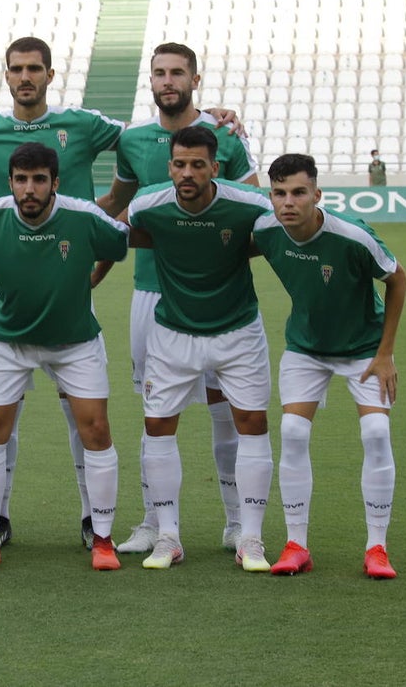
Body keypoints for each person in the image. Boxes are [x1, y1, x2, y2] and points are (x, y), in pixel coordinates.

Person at [0, 36, 243, 550]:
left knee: (83, 414)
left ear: (50, 74)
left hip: (70, 284)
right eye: (16, 69)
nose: (25, 77)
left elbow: (157, 131)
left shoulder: (84, 124)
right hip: (3, 290)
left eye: (34, 68)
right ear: (6, 75)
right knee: (2, 415)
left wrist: (210, 117)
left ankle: (93, 521)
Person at [0, 142, 129, 571]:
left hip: (74, 342)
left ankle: (103, 540)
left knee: (95, 429)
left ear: (55, 182)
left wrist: (93, 276)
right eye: (21, 180)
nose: (29, 189)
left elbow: (120, 240)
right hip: (8, 342)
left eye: (39, 180)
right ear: (10, 182)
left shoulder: (82, 215)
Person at [95, 43, 259, 555]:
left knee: (227, 415)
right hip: (152, 295)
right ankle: (154, 524)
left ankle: (238, 524)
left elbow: (255, 212)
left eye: (177, 73)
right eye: (159, 73)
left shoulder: (226, 136)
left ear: (195, 79)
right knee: (156, 415)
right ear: (150, 80)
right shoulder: (133, 139)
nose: (168, 81)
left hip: (218, 301)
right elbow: (117, 208)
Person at [126, 125, 274, 572]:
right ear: (169, 166)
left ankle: (250, 538)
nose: (187, 173)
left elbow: (282, 232)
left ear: (215, 167)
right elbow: (120, 235)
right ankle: (168, 536)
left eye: (197, 165)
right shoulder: (147, 204)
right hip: (173, 332)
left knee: (251, 424)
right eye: (179, 164)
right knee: (157, 426)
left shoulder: (249, 202)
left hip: (238, 331)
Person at [253, 153, 406, 579]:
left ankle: (377, 548)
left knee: (376, 433)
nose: (288, 202)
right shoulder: (265, 230)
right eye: (280, 193)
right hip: (306, 347)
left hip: (365, 348)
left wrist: (385, 354)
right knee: (292, 431)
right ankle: (296, 545)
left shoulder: (352, 236)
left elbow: (397, 278)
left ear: (317, 194)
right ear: (271, 196)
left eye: (299, 192)